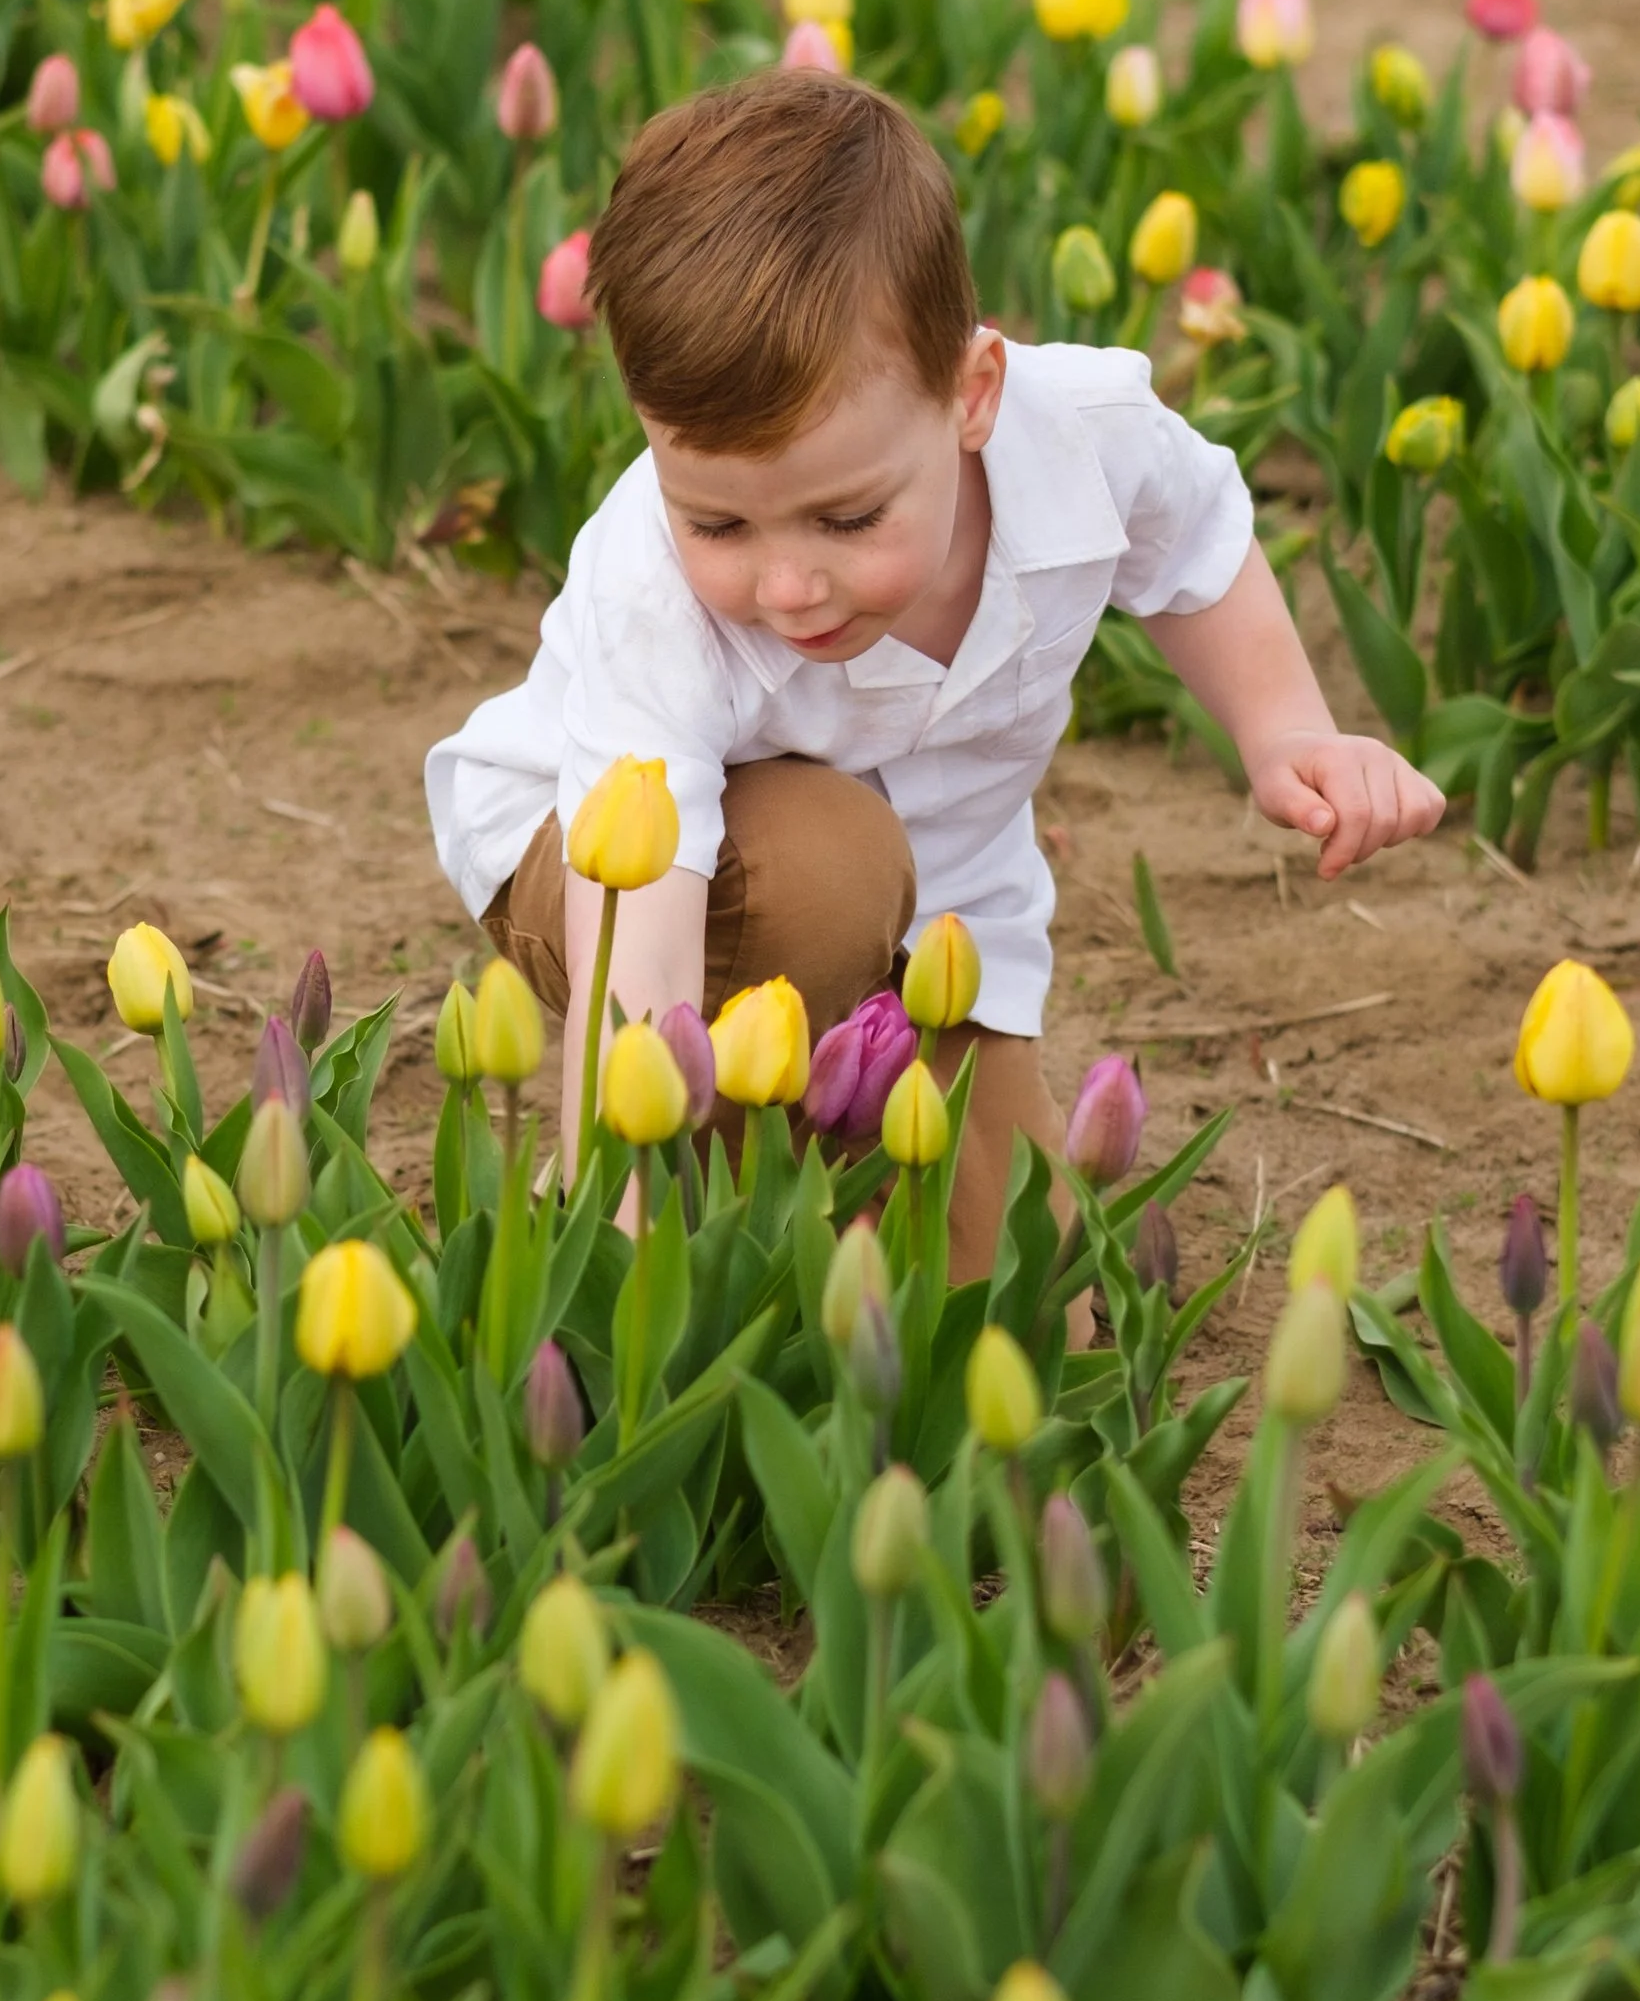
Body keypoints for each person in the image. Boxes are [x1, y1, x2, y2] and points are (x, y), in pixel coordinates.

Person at [426, 67, 1442, 1282]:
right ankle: (644, 1211)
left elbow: (1197, 538)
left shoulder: (1085, 437)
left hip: (949, 910)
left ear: (971, 397)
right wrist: (634, 1165)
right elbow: (637, 921)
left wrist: (1286, 731)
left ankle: (825, 1150)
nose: (786, 586)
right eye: (721, 527)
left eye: (845, 520)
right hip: (594, 857)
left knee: (1017, 1300)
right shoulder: (648, 597)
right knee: (823, 877)